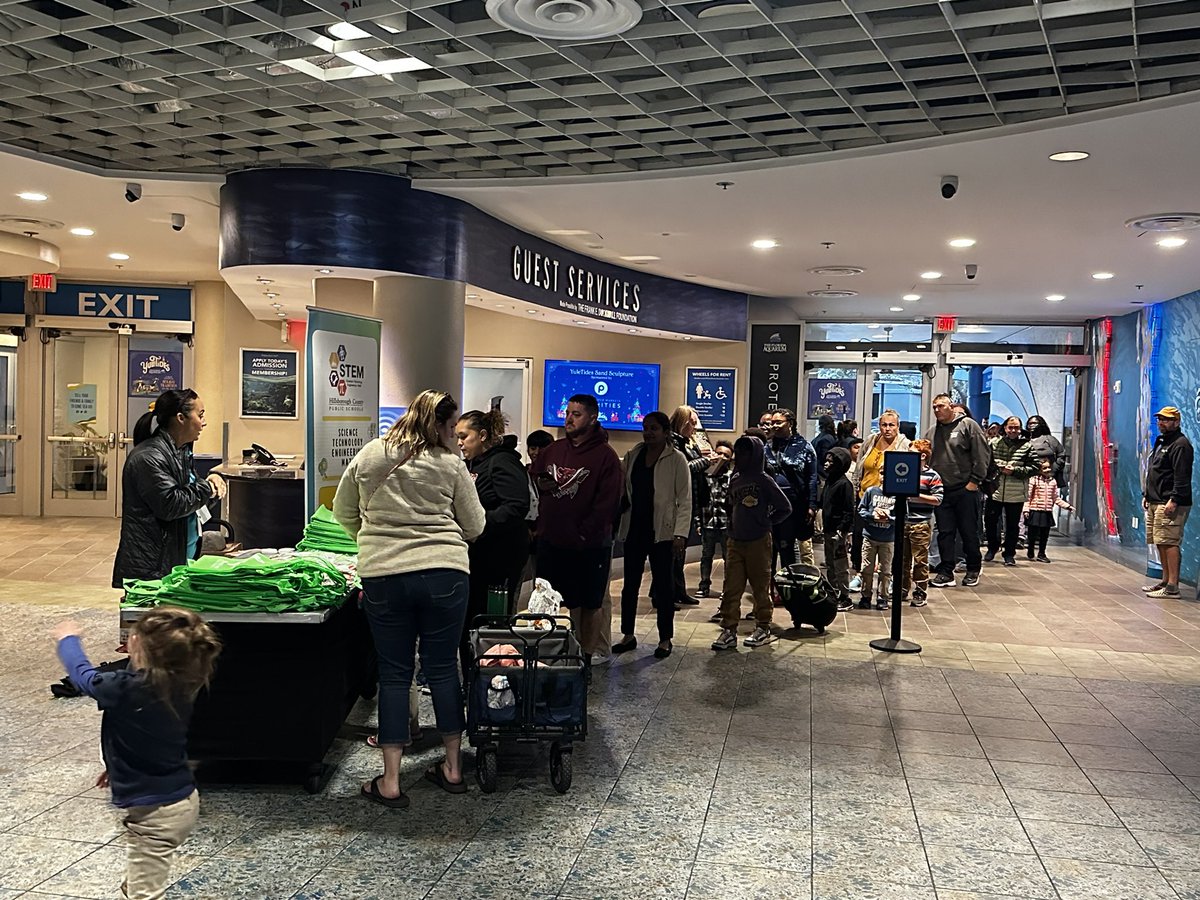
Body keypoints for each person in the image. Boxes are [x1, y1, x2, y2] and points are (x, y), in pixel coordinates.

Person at [334, 390, 487, 806]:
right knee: (442, 670)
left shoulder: (370, 455)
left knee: (395, 672)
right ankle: (453, 769)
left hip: (385, 577)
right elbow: (474, 526)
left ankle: (390, 781)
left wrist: (375, 542)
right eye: (451, 429)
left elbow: (343, 511)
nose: (454, 438)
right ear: (438, 424)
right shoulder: (451, 465)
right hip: (446, 575)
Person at [53, 608, 221, 900]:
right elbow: (146, 738)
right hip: (176, 803)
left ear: (139, 647)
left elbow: (83, 678)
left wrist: (68, 640)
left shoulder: (125, 687)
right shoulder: (177, 682)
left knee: (144, 894)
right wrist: (118, 764)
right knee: (136, 885)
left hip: (157, 815)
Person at [532, 394, 623, 656]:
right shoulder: (553, 449)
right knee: (544, 601)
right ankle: (543, 654)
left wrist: (582, 535)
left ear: (592, 418)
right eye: (568, 412)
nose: (569, 418)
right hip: (551, 541)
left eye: (576, 414)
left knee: (588, 604)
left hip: (589, 546)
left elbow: (607, 506)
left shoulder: (606, 457)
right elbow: (535, 478)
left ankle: (585, 658)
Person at [112, 389, 227, 590]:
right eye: (200, 416)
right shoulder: (148, 457)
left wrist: (213, 485)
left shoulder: (180, 452)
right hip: (153, 569)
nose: (204, 422)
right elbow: (172, 505)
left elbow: (192, 499)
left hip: (178, 559)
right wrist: (206, 487)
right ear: (181, 418)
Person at [455, 408, 531, 669]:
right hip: (478, 557)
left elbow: (516, 505)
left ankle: (490, 677)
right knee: (471, 620)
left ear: (483, 435)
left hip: (500, 557)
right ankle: (472, 677)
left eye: (464, 436)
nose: (459, 443)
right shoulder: (473, 464)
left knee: (489, 621)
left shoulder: (502, 462)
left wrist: (479, 525)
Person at [613, 411, 691, 659]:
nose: (648, 433)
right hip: (635, 528)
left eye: (654, 428)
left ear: (666, 432)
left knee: (664, 587)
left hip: (663, 532)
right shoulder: (634, 455)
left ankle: (665, 638)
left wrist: (680, 534)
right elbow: (622, 487)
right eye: (646, 428)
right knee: (630, 586)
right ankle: (628, 634)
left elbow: (685, 500)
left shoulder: (677, 459)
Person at [711, 435, 792, 650]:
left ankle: (763, 626)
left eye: (746, 452)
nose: (742, 456)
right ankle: (729, 629)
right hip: (735, 541)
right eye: (740, 452)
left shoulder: (764, 480)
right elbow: (729, 503)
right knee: (731, 587)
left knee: (760, 586)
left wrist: (766, 522)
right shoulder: (736, 478)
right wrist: (731, 524)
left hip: (759, 541)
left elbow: (785, 507)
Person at [926, 393, 991, 589]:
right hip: (941, 492)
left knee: (968, 532)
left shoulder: (968, 425)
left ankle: (973, 568)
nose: (937, 410)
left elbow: (982, 455)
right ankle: (946, 571)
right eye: (934, 407)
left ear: (951, 406)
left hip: (965, 489)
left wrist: (974, 481)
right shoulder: (931, 432)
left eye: (941, 406)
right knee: (945, 533)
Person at [1143, 405, 1194, 599]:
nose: (1161, 422)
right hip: (1156, 499)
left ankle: (1173, 586)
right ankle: (1165, 581)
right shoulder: (1162, 441)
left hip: (1170, 501)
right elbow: (1156, 472)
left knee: (1170, 541)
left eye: (1166, 419)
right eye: (1160, 419)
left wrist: (1174, 499)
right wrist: (1146, 494)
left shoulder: (1180, 444)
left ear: (1176, 421)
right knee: (1160, 541)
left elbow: (1181, 476)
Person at [668, 405, 714, 605]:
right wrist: (705, 461)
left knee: (680, 551)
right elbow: (683, 469)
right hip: (677, 504)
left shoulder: (687, 443)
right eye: (692, 423)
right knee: (674, 551)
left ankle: (677, 590)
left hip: (690, 501)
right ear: (682, 422)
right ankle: (669, 592)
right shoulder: (673, 444)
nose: (695, 428)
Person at [763, 408, 819, 571]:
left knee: (787, 547)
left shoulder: (804, 447)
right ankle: (768, 587)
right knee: (768, 548)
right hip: (770, 506)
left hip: (794, 506)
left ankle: (789, 586)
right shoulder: (766, 446)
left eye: (778, 422)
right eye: (772, 423)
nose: (774, 426)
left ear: (790, 424)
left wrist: (812, 505)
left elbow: (812, 478)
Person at [984, 416, 1035, 567]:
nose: (1013, 430)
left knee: (1013, 525)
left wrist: (1015, 471)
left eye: (1016, 428)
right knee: (990, 521)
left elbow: (1034, 467)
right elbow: (985, 463)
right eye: (1010, 427)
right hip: (995, 489)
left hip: (1016, 492)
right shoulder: (993, 443)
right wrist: (996, 469)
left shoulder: (1027, 446)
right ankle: (992, 548)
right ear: (1004, 428)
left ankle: (1009, 554)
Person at [904, 439, 943, 607]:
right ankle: (902, 588)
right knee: (902, 559)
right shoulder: (904, 472)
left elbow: (938, 499)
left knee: (920, 560)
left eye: (912, 454)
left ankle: (920, 590)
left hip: (920, 523)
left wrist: (918, 496)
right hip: (903, 521)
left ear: (923, 456)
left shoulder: (932, 476)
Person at [695, 440, 734, 600]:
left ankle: (727, 588)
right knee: (706, 556)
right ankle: (704, 585)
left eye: (726, 455)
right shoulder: (705, 476)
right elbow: (699, 500)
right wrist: (698, 522)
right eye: (719, 453)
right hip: (708, 522)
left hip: (726, 524)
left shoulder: (732, 478)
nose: (721, 457)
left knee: (728, 558)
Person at [822, 447, 856, 611]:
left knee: (840, 565)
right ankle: (833, 592)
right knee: (830, 564)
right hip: (828, 530)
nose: (826, 464)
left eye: (831, 461)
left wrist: (841, 531)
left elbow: (849, 511)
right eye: (826, 460)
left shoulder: (844, 484)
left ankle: (845, 596)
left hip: (837, 532)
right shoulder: (830, 481)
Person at [1024, 458, 1073, 562]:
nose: (1047, 470)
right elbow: (1028, 496)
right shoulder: (1034, 480)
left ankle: (1042, 553)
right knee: (1032, 533)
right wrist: (1026, 509)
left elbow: (1055, 498)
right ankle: (1030, 549)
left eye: (1048, 467)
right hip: (1035, 510)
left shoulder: (1053, 481)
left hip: (1047, 511)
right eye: (1044, 468)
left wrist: (1067, 506)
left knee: (1044, 534)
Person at [857, 483, 896, 610]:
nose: (884, 476)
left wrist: (888, 518)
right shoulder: (871, 491)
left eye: (886, 473)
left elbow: (903, 516)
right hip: (870, 537)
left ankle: (883, 597)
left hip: (888, 539)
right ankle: (865, 596)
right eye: (881, 473)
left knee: (885, 570)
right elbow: (861, 509)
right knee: (866, 568)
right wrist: (872, 516)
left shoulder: (897, 494)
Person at [1026, 415, 1067, 490]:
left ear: (1041, 424)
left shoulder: (1050, 440)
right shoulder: (1025, 440)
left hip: (1047, 479)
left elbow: (1061, 454)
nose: (1031, 425)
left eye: (1034, 423)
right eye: (1029, 423)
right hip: (1029, 479)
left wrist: (1053, 469)